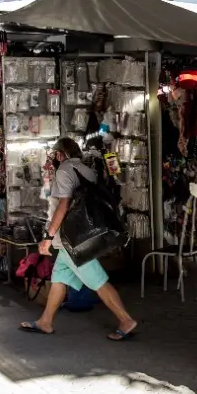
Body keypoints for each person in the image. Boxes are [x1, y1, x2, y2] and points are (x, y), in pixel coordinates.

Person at [19, 137, 137, 340]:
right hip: (82, 234)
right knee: (59, 279)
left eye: (55, 154)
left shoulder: (64, 170)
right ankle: (45, 321)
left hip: (72, 240)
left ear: (60, 154)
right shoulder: (86, 170)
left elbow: (63, 206)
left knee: (97, 280)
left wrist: (48, 237)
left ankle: (125, 320)